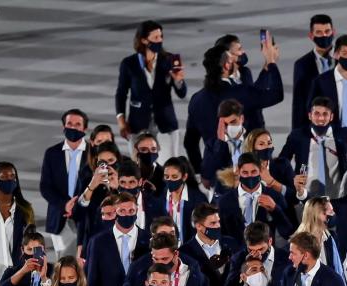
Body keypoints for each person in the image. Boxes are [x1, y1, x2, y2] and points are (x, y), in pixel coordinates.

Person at [184, 40, 282, 172]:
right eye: (232, 60)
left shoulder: (196, 100)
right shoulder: (240, 93)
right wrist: (271, 61)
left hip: (215, 173)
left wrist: (201, 172)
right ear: (226, 65)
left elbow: (190, 142)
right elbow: (276, 94)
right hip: (245, 172)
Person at [114, 21, 187, 164]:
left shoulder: (169, 60)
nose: (160, 40)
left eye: (161, 36)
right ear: (144, 40)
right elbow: (121, 94)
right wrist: (121, 121)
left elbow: (182, 93)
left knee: (169, 165)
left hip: (166, 124)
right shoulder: (129, 64)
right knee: (139, 167)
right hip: (138, 124)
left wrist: (178, 81)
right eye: (156, 38)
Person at [280, 96, 347, 199]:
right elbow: (282, 161)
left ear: (331, 116)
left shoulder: (345, 134)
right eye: (317, 114)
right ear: (310, 115)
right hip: (307, 198)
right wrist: (293, 178)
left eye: (325, 114)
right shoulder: (297, 135)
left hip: (339, 197)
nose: (321, 118)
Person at [39, 109, 90, 259]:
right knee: (61, 260)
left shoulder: (93, 153)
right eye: (69, 124)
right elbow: (45, 187)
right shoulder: (52, 153)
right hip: (58, 217)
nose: (73, 127)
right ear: (63, 126)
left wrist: (78, 205)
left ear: (84, 129)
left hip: (85, 218)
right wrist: (64, 205)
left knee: (84, 259)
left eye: (78, 124)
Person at [216, 152, 293, 242]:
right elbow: (221, 235)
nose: (250, 176)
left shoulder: (275, 197)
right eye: (245, 173)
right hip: (236, 254)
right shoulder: (225, 201)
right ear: (238, 172)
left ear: (260, 171)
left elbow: (288, 233)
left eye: (254, 172)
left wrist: (275, 209)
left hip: (267, 252)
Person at [308, 34, 347, 129]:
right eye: (345, 53)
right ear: (336, 54)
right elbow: (310, 110)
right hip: (330, 137)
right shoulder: (321, 82)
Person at [292, 14, 335, 130]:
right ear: (311, 35)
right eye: (319, 33)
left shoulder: (343, 60)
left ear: (333, 32)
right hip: (313, 128)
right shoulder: (302, 65)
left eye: (327, 31)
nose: (324, 35)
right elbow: (299, 104)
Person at [226, 220, 289, 286]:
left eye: (260, 249)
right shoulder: (238, 259)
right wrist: (245, 266)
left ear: (270, 241)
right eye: (251, 250)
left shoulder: (287, 258)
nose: (256, 253)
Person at [293, 196, 346, 282]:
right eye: (330, 211)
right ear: (317, 214)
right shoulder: (299, 242)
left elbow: (337, 270)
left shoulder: (330, 238)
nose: (333, 214)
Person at [200, 98, 248, 191]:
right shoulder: (212, 145)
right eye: (226, 124)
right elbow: (207, 177)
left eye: (233, 122)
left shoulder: (253, 140)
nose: (230, 127)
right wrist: (220, 143)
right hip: (223, 194)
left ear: (241, 118)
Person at [160, 155, 207, 244]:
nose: (169, 180)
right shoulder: (160, 198)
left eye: (174, 177)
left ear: (184, 177)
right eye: (166, 177)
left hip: (190, 249)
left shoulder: (198, 199)